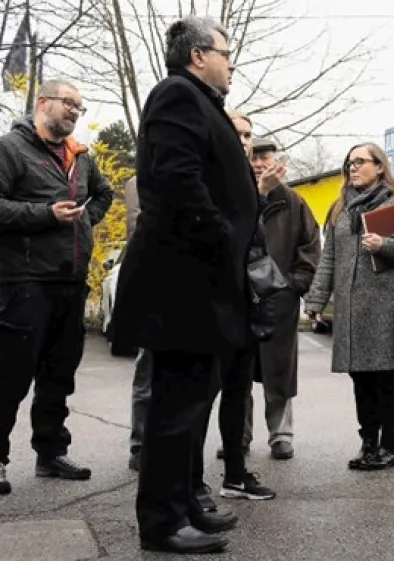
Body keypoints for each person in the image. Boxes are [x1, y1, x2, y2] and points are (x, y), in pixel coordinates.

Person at [110, 16, 258, 554]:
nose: (231, 61)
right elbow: (176, 180)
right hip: (184, 287)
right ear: (198, 55)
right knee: (175, 410)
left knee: (193, 405)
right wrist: (220, 237)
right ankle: (163, 522)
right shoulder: (177, 94)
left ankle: (186, 502)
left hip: (203, 287)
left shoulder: (201, 101)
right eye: (225, 52)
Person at [0, 78, 114, 496]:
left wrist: (86, 219)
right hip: (24, 282)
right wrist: (46, 215)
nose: (73, 112)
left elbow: (104, 193)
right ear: (42, 102)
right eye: (68, 103)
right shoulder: (10, 149)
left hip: (71, 281)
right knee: (10, 375)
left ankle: (50, 453)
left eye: (79, 107)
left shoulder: (80, 156)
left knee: (58, 376)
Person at [304, 142, 394, 471]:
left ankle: (390, 447)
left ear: (379, 166)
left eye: (360, 162)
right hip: (350, 309)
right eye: (349, 163)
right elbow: (328, 259)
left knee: (387, 379)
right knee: (361, 380)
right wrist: (316, 300)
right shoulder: (340, 208)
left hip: (385, 307)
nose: (352, 168)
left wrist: (385, 245)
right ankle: (368, 443)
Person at [239, 136, 320, 460]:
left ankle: (281, 436)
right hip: (241, 299)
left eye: (265, 158)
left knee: (279, 372)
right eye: (254, 158)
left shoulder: (294, 202)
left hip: (279, 301)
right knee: (238, 373)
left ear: (277, 163)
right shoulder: (238, 196)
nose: (259, 164)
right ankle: (238, 436)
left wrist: (294, 285)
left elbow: (311, 247)